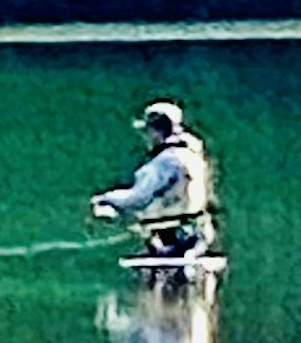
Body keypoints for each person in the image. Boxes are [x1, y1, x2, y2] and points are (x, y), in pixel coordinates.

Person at [89, 97, 221, 271]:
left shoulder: (164, 162)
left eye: (147, 131)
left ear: (155, 131)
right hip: (199, 233)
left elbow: (137, 198)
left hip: (170, 237)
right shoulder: (193, 156)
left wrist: (105, 198)